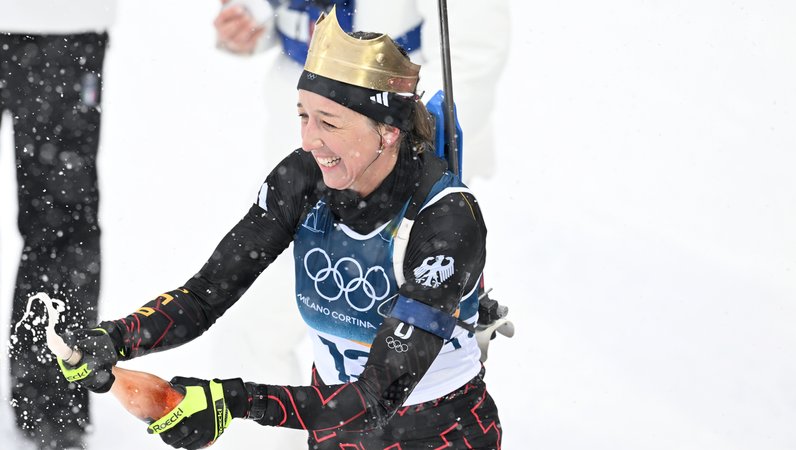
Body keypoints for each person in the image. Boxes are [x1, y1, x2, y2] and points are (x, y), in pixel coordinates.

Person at [58, 10, 502, 450]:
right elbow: (206, 295)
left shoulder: (446, 220)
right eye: (303, 116)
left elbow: (374, 399)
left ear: (387, 132)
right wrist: (117, 338)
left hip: (440, 435)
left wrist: (236, 401)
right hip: (334, 435)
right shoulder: (303, 179)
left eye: (329, 123)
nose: (309, 141)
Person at [214, 0, 511, 182]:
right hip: (296, 152)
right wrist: (248, 25)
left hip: (399, 160)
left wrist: (409, 150)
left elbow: (469, 56)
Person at [0, 1, 116, 448]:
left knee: (62, 227)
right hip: (65, 31)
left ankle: (50, 402)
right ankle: (50, 405)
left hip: (65, 25)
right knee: (62, 227)